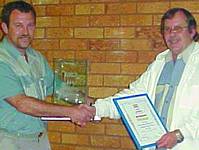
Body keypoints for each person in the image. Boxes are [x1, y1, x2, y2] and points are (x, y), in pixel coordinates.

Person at [91, 8, 199, 149]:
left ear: (192, 31)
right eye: (167, 29)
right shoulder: (159, 63)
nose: (172, 34)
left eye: (178, 28)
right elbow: (131, 97)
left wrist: (179, 134)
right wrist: (95, 109)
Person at [0, 1, 95, 150]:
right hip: (10, 141)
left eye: (30, 25)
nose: (25, 31)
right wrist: (71, 112)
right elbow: (22, 103)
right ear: (5, 27)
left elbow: (59, 89)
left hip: (40, 139)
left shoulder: (36, 58)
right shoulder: (2, 60)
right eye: (18, 26)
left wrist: (95, 104)